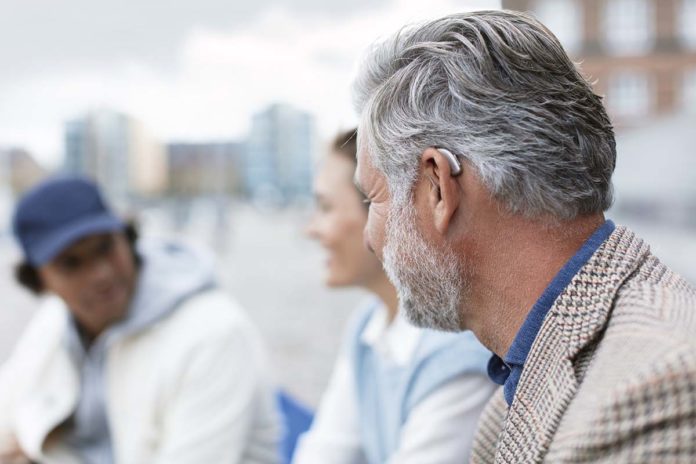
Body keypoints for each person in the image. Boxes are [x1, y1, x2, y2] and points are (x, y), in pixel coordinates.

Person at [351, 10, 696, 463]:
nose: (369, 239)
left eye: (373, 199)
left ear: (438, 186)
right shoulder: (521, 381)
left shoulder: (650, 385)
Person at [0, 176, 280, 464]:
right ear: (39, 280)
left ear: (128, 237)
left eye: (105, 247)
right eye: (71, 263)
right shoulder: (55, 321)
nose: (101, 274)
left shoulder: (215, 332)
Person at [294, 129, 496, 463]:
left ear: (382, 210)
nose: (311, 229)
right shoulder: (366, 329)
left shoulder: (459, 353)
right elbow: (327, 449)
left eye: (326, 207)